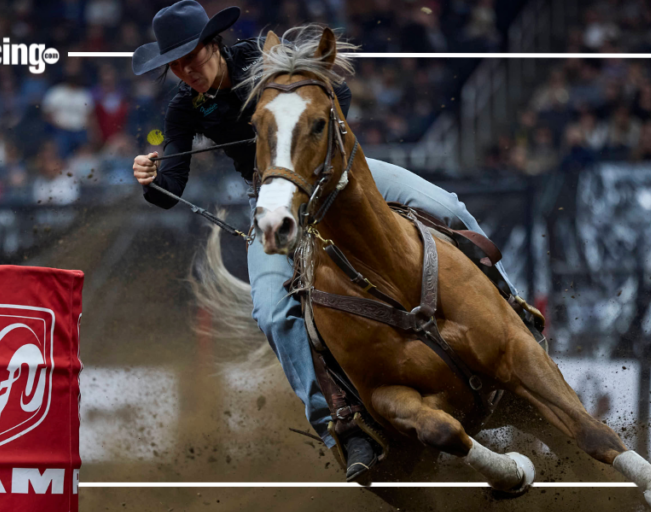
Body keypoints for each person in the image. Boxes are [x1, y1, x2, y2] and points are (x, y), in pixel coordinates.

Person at [131, 0, 526, 482]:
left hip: (344, 176)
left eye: (191, 54)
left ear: (214, 44)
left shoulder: (263, 58)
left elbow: (338, 90)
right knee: (272, 311)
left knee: (446, 206)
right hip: (277, 203)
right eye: (175, 63)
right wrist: (151, 178)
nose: (185, 69)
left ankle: (515, 314)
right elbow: (171, 188)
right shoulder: (182, 110)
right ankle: (340, 424)